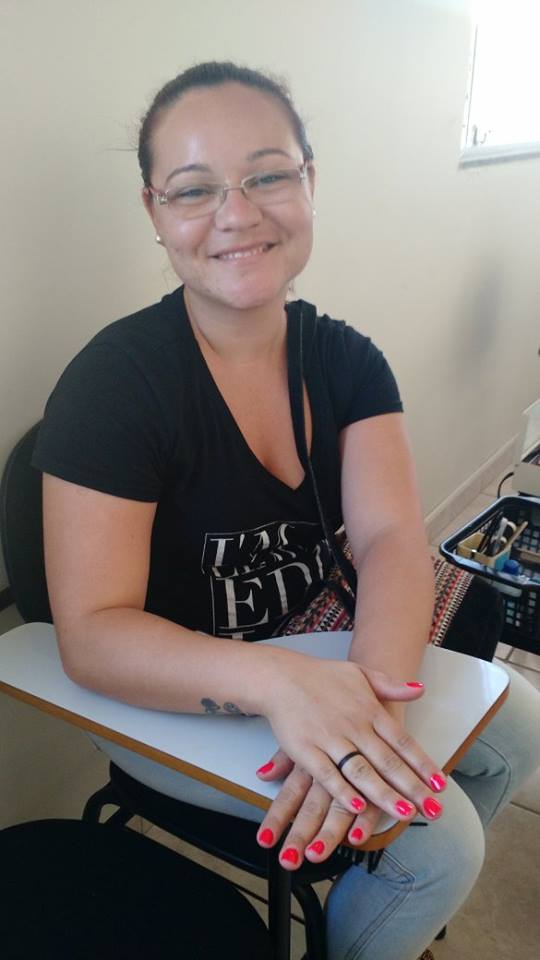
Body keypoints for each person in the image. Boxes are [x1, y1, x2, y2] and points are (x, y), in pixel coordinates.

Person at [31, 61, 540, 960]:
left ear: (309, 181)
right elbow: (94, 636)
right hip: (169, 696)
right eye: (196, 189)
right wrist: (284, 687)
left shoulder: (346, 360)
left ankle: (383, 916)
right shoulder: (115, 385)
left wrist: (367, 716)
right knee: (438, 848)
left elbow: (390, 539)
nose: (237, 214)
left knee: (521, 725)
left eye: (267, 175)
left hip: (316, 651)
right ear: (155, 210)